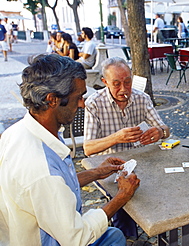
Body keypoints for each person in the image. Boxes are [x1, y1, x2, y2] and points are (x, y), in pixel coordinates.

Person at [0, 54, 140, 245]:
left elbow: (56, 187)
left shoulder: (17, 132)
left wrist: (96, 173)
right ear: (52, 100)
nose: (82, 104)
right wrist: (122, 196)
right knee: (114, 237)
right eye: (78, 97)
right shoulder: (40, 170)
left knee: (114, 234)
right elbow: (77, 237)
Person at [84, 56, 170, 156]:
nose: (123, 89)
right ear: (105, 82)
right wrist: (116, 138)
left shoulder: (142, 98)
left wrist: (160, 132)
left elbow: (165, 130)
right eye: (116, 84)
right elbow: (88, 149)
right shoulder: (94, 103)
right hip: (109, 164)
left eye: (127, 82)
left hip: (140, 158)